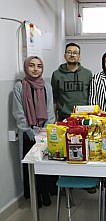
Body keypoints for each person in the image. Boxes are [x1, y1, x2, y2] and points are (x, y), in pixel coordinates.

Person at [13, 56, 56, 207]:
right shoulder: (20, 86)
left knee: (44, 164)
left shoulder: (47, 86)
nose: (35, 69)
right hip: (28, 134)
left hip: (44, 133)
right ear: (26, 67)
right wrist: (30, 131)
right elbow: (18, 112)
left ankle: (45, 193)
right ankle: (34, 196)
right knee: (30, 165)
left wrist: (45, 130)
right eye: (31, 65)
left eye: (38, 66)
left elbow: (50, 110)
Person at [51, 43, 92, 121]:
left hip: (84, 116)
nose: (72, 55)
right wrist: (54, 118)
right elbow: (54, 98)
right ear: (65, 55)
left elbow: (91, 96)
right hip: (64, 117)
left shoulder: (87, 74)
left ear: (79, 56)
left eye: (75, 53)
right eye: (69, 52)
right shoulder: (57, 74)